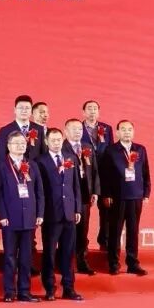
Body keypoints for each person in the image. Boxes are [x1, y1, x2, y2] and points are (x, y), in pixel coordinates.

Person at [0, 132, 43, 303]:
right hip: (10, 218)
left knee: (26, 257)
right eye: (16, 143)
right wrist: (2, 215)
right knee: (9, 256)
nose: (20, 146)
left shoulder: (32, 165)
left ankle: (24, 291)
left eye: (23, 143)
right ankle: (9, 291)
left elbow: (39, 192)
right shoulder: (1, 166)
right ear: (9, 146)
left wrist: (39, 213)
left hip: (29, 217)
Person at [100, 120, 152, 277]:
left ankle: (133, 263)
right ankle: (114, 264)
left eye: (129, 129)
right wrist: (106, 194)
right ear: (117, 133)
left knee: (133, 231)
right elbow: (105, 175)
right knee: (115, 231)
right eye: (123, 129)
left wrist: (146, 193)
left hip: (136, 196)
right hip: (118, 197)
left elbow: (145, 173)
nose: (127, 132)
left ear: (133, 132)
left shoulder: (140, 149)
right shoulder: (111, 150)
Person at [37, 129, 84, 301]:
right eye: (53, 140)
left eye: (59, 140)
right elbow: (39, 190)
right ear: (46, 141)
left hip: (69, 213)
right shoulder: (40, 161)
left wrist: (77, 208)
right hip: (51, 214)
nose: (56, 143)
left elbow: (76, 186)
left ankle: (69, 287)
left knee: (68, 252)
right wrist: (40, 212)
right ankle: (50, 288)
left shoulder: (71, 158)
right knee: (49, 253)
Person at [63, 118, 100, 276]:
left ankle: (82, 262)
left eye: (80, 129)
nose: (78, 132)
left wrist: (95, 192)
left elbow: (95, 171)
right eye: (74, 129)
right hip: (68, 197)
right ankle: (66, 264)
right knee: (67, 232)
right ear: (66, 131)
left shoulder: (87, 147)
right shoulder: (61, 148)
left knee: (83, 232)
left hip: (85, 196)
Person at [80, 100, 115, 249]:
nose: (92, 111)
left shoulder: (106, 128)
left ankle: (104, 241)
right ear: (83, 112)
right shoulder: (77, 128)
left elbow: (112, 151)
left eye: (95, 108)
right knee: (83, 211)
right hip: (85, 175)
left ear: (99, 112)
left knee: (106, 210)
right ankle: (82, 243)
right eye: (89, 108)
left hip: (104, 175)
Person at [0, 95, 45, 162]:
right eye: (21, 108)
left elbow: (43, 154)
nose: (24, 111)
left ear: (31, 110)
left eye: (27, 108)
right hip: (13, 167)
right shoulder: (5, 130)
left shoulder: (39, 129)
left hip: (35, 167)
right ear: (15, 110)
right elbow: (1, 156)